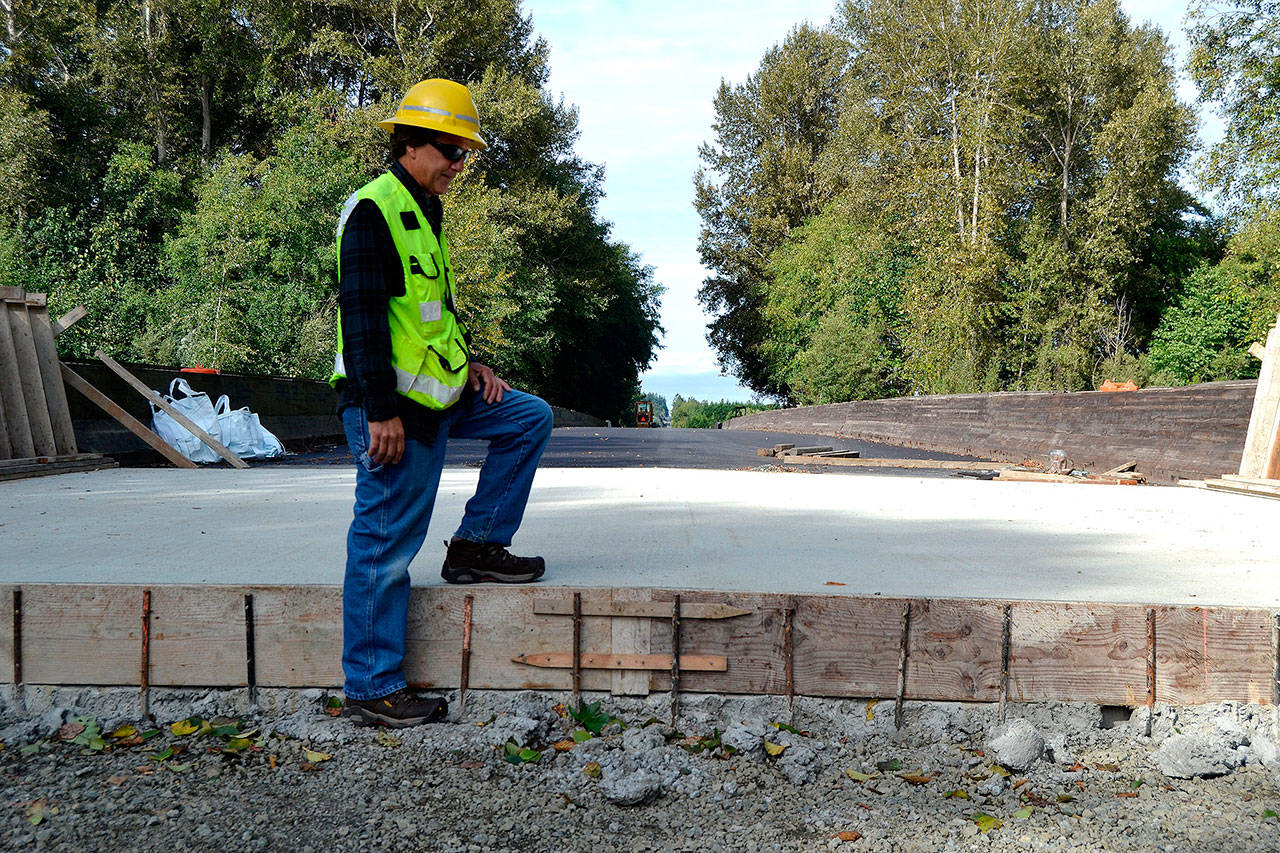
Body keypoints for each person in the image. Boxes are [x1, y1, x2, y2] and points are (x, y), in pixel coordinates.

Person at [331, 79, 554, 727]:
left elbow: (432, 315)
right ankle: (371, 687)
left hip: (442, 395)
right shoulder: (374, 210)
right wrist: (378, 411)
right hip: (391, 409)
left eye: (465, 153)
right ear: (410, 143)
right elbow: (364, 318)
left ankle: (476, 546)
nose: (461, 164)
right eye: (452, 151)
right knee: (385, 545)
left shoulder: (424, 209)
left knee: (527, 417)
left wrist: (472, 363)